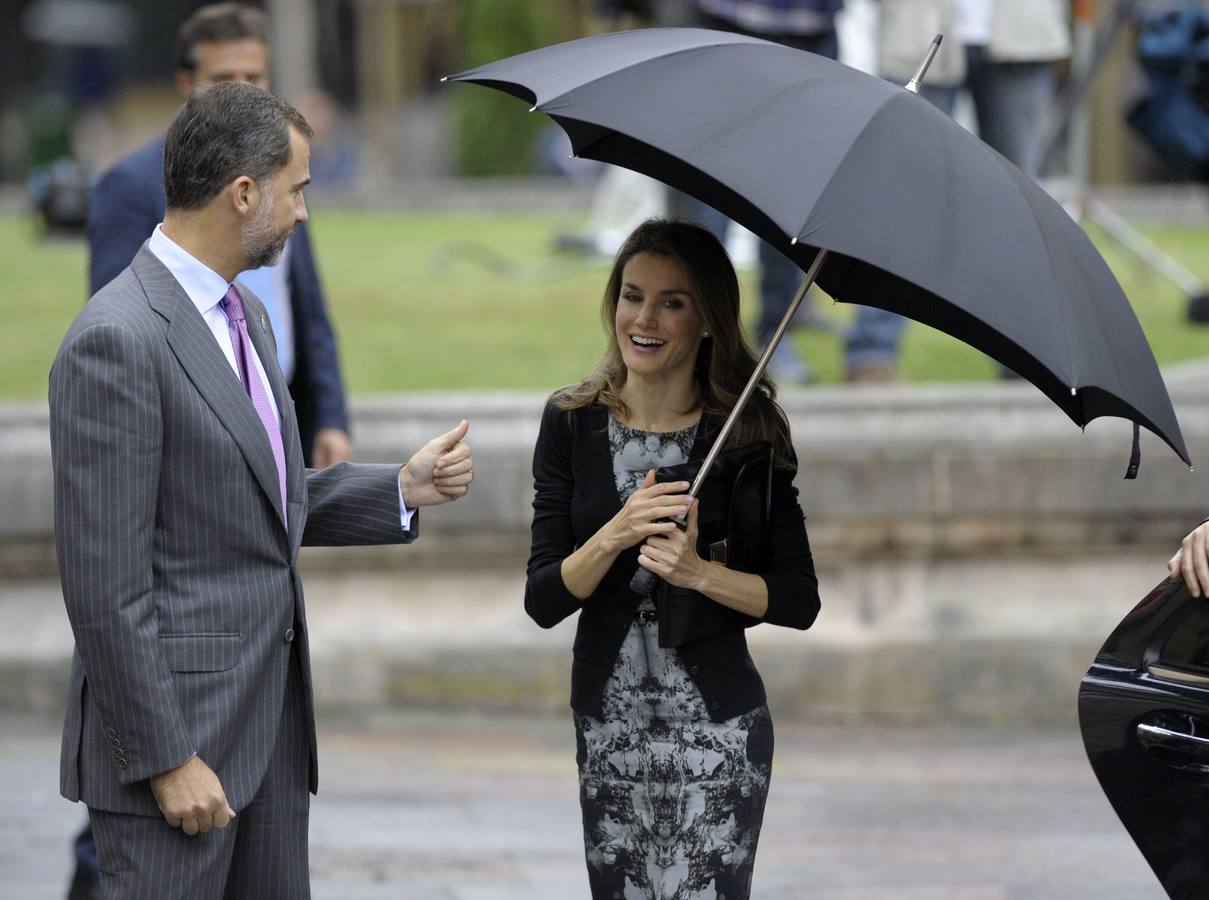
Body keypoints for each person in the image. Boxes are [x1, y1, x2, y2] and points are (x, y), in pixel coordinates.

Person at [51, 81, 474, 899]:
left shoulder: (245, 310)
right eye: (299, 189)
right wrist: (168, 758)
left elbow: (247, 491)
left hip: (270, 743)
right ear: (243, 192)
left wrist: (400, 488)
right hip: (179, 761)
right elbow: (104, 588)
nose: (305, 213)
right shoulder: (116, 339)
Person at [525, 219, 820, 898]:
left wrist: (697, 574)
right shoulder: (570, 422)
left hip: (716, 736)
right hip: (611, 733)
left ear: (707, 319)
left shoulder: (745, 431)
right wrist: (615, 533)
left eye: (671, 302)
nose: (644, 318)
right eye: (632, 296)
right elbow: (543, 599)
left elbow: (798, 600)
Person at [87, 2, 352, 470]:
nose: (244, 92)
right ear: (187, 84)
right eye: (226, 77)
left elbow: (307, 306)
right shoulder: (130, 184)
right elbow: (122, 324)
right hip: (193, 432)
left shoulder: (283, 171)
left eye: (256, 78)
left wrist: (330, 416)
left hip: (283, 415)